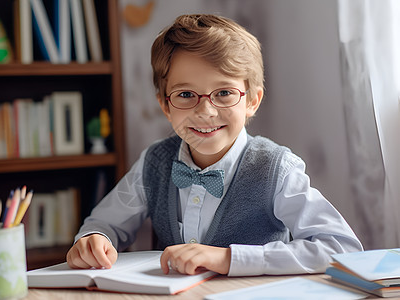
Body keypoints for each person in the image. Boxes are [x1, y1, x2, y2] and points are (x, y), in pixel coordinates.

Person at [66, 14, 363, 276]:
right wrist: (94, 239)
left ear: (251, 101)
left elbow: (341, 247)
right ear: (165, 106)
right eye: (185, 95)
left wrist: (229, 258)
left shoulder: (276, 169)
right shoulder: (155, 162)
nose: (205, 111)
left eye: (223, 93)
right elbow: (104, 224)